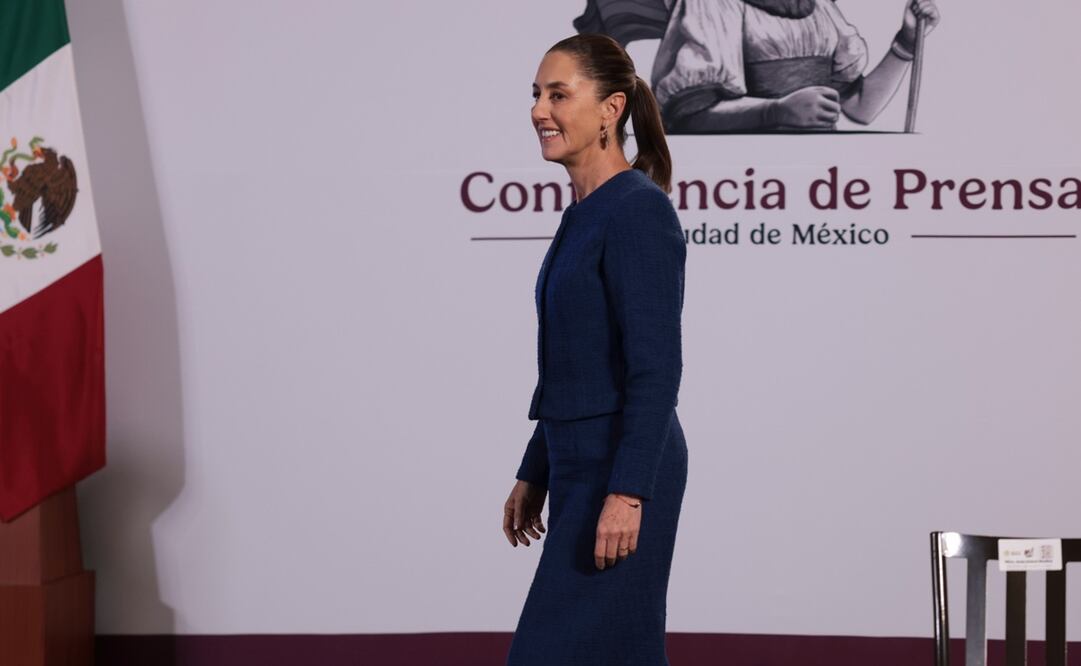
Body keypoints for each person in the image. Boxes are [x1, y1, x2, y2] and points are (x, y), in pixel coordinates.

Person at [503, 33, 689, 666]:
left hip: (623, 469)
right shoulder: (583, 212)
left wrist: (629, 492)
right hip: (579, 462)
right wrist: (537, 469)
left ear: (611, 109)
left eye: (559, 94)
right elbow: (572, 363)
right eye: (536, 94)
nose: (538, 111)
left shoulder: (638, 210)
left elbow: (655, 369)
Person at [650, 0, 942, 132]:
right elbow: (689, 115)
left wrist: (906, 41)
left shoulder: (820, 8)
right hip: (746, 181)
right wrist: (775, 111)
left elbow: (860, 108)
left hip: (820, 177)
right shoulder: (713, 5)